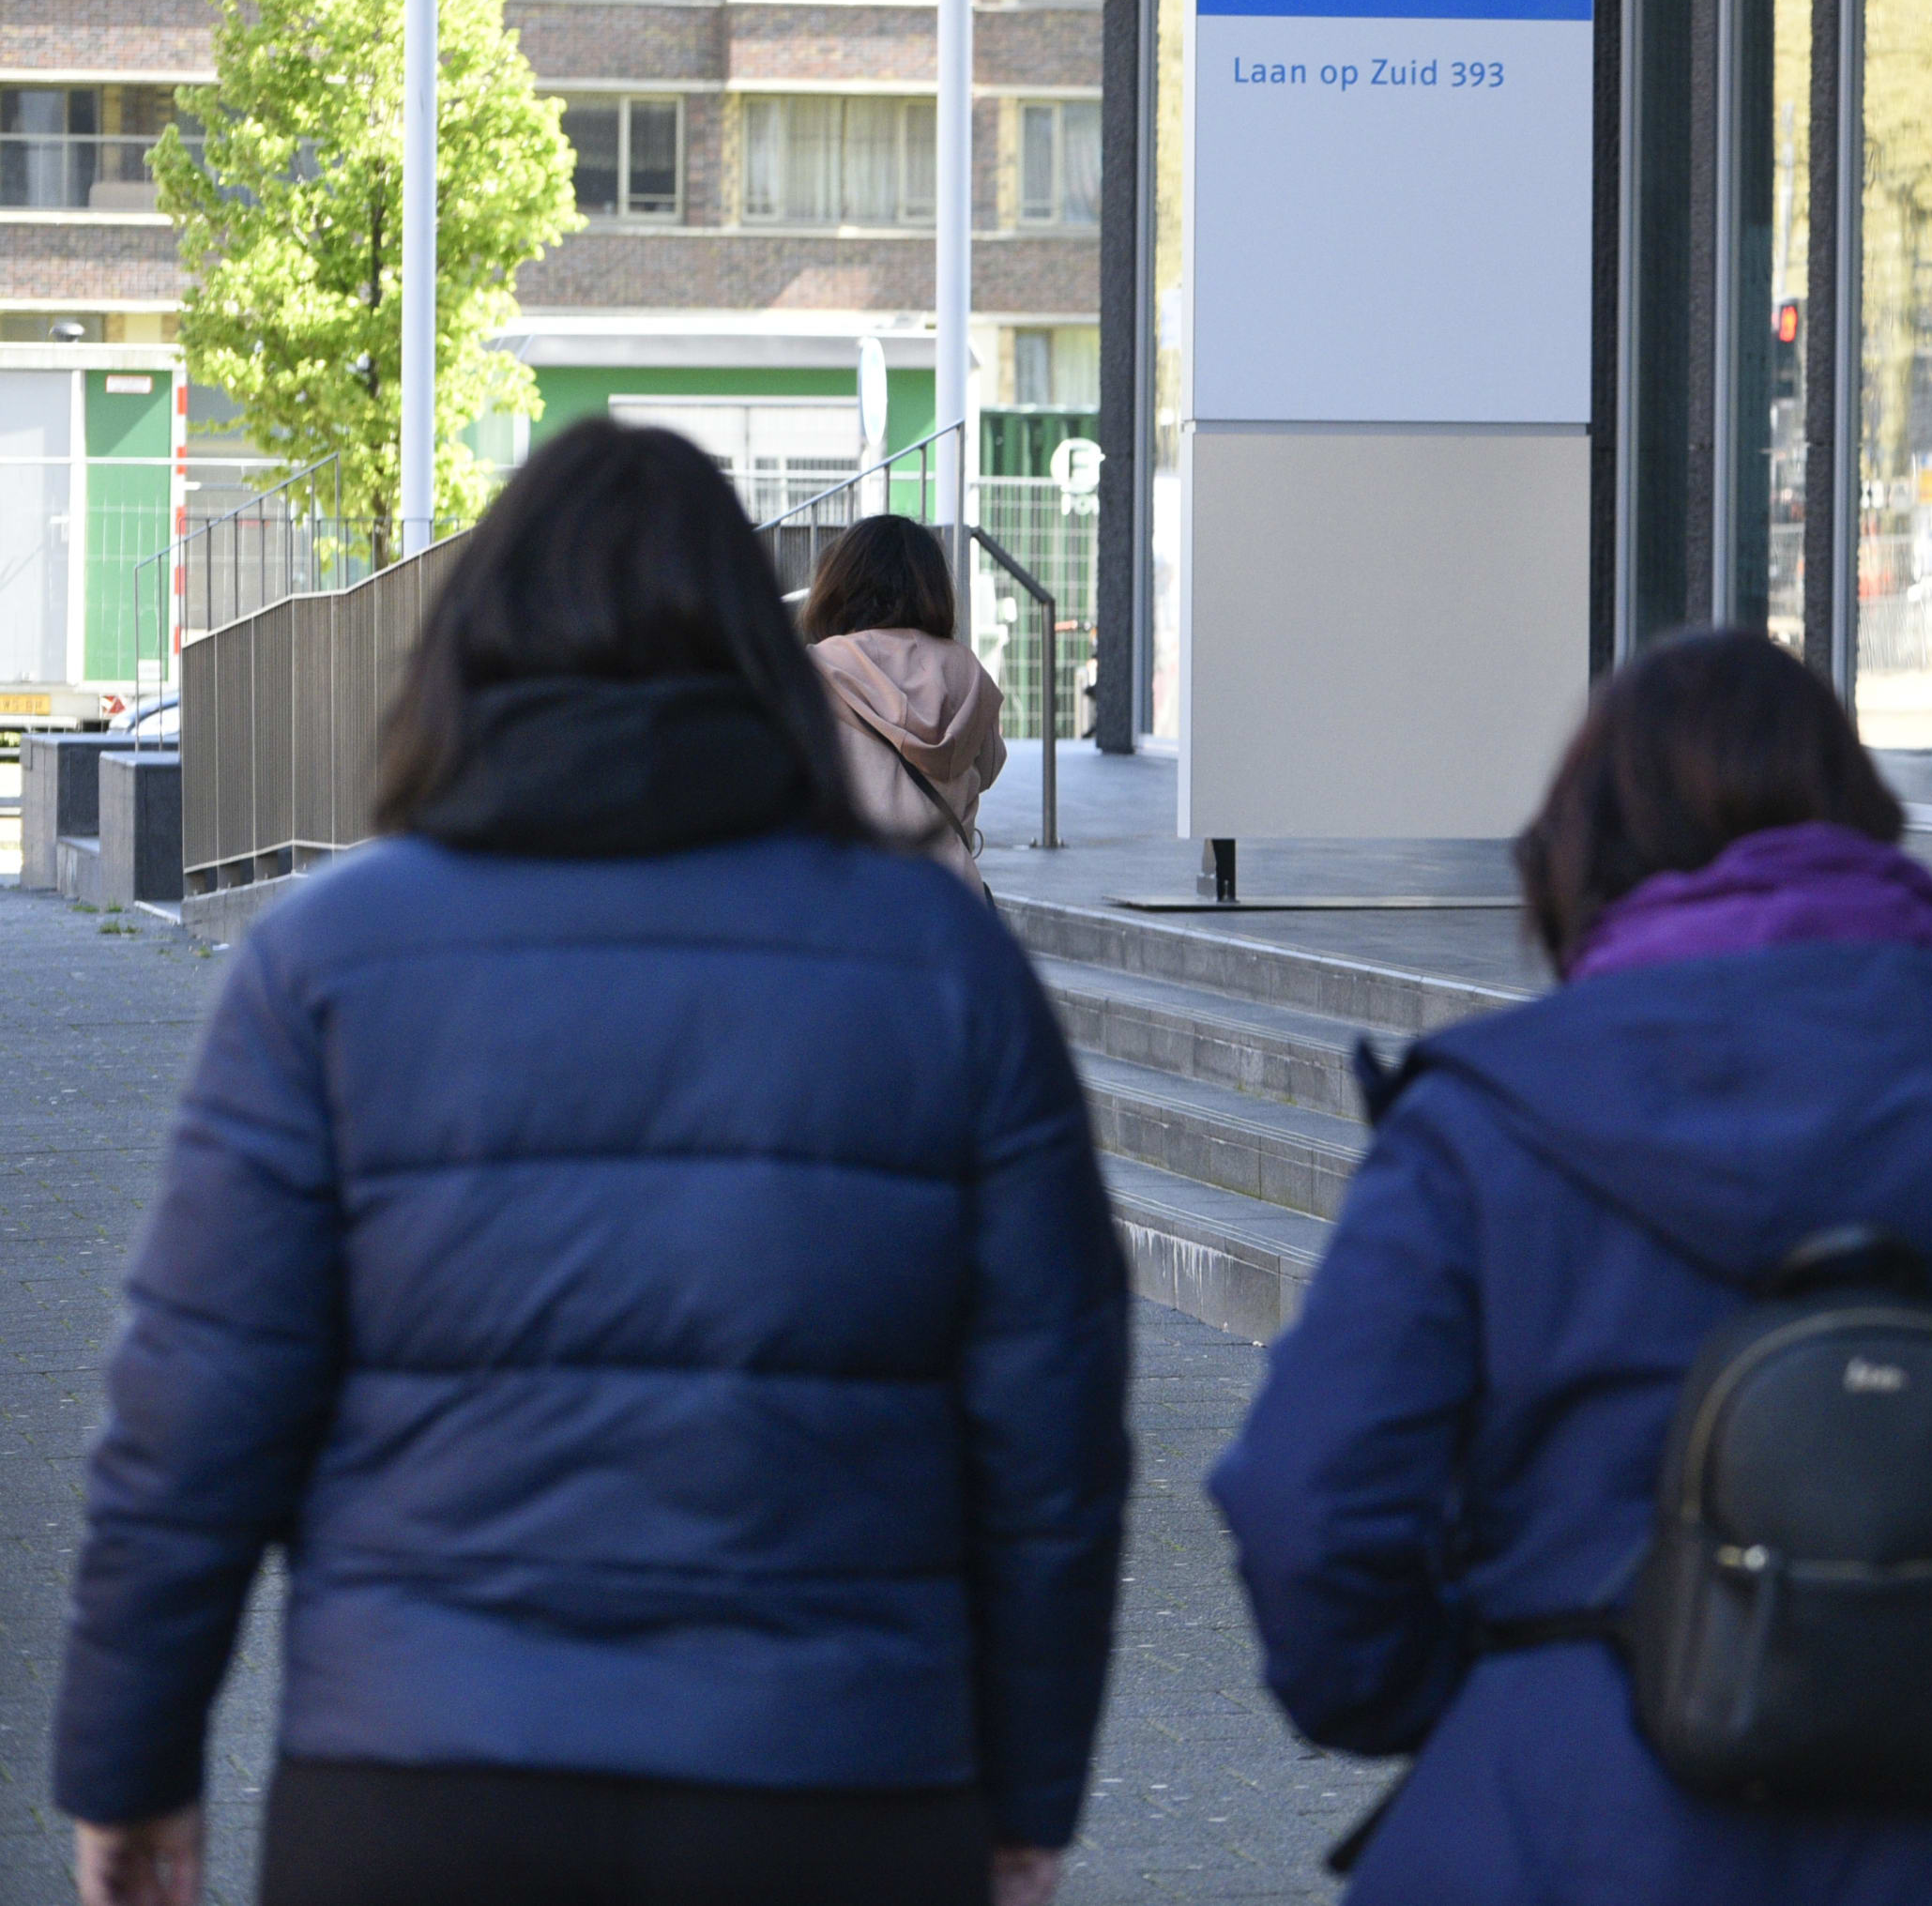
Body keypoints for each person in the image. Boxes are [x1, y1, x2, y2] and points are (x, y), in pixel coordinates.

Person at [53, 418, 1131, 1906]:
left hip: (424, 1780)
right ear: (762, 654)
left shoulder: (329, 960)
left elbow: (195, 1405)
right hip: (837, 1779)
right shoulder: (939, 962)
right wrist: (1028, 1790)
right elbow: (1052, 1425)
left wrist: (130, 1764)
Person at [1211, 627, 1932, 1905]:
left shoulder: (1487, 1124)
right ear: (1865, 816)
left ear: (1585, 843)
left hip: (1565, 1819)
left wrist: (1474, 1692)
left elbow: (1309, 1494)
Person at [802, 513, 1008, 890]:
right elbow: (989, 766)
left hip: (855, 898)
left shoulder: (814, 672)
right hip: (951, 898)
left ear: (837, 584)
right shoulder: (968, 670)